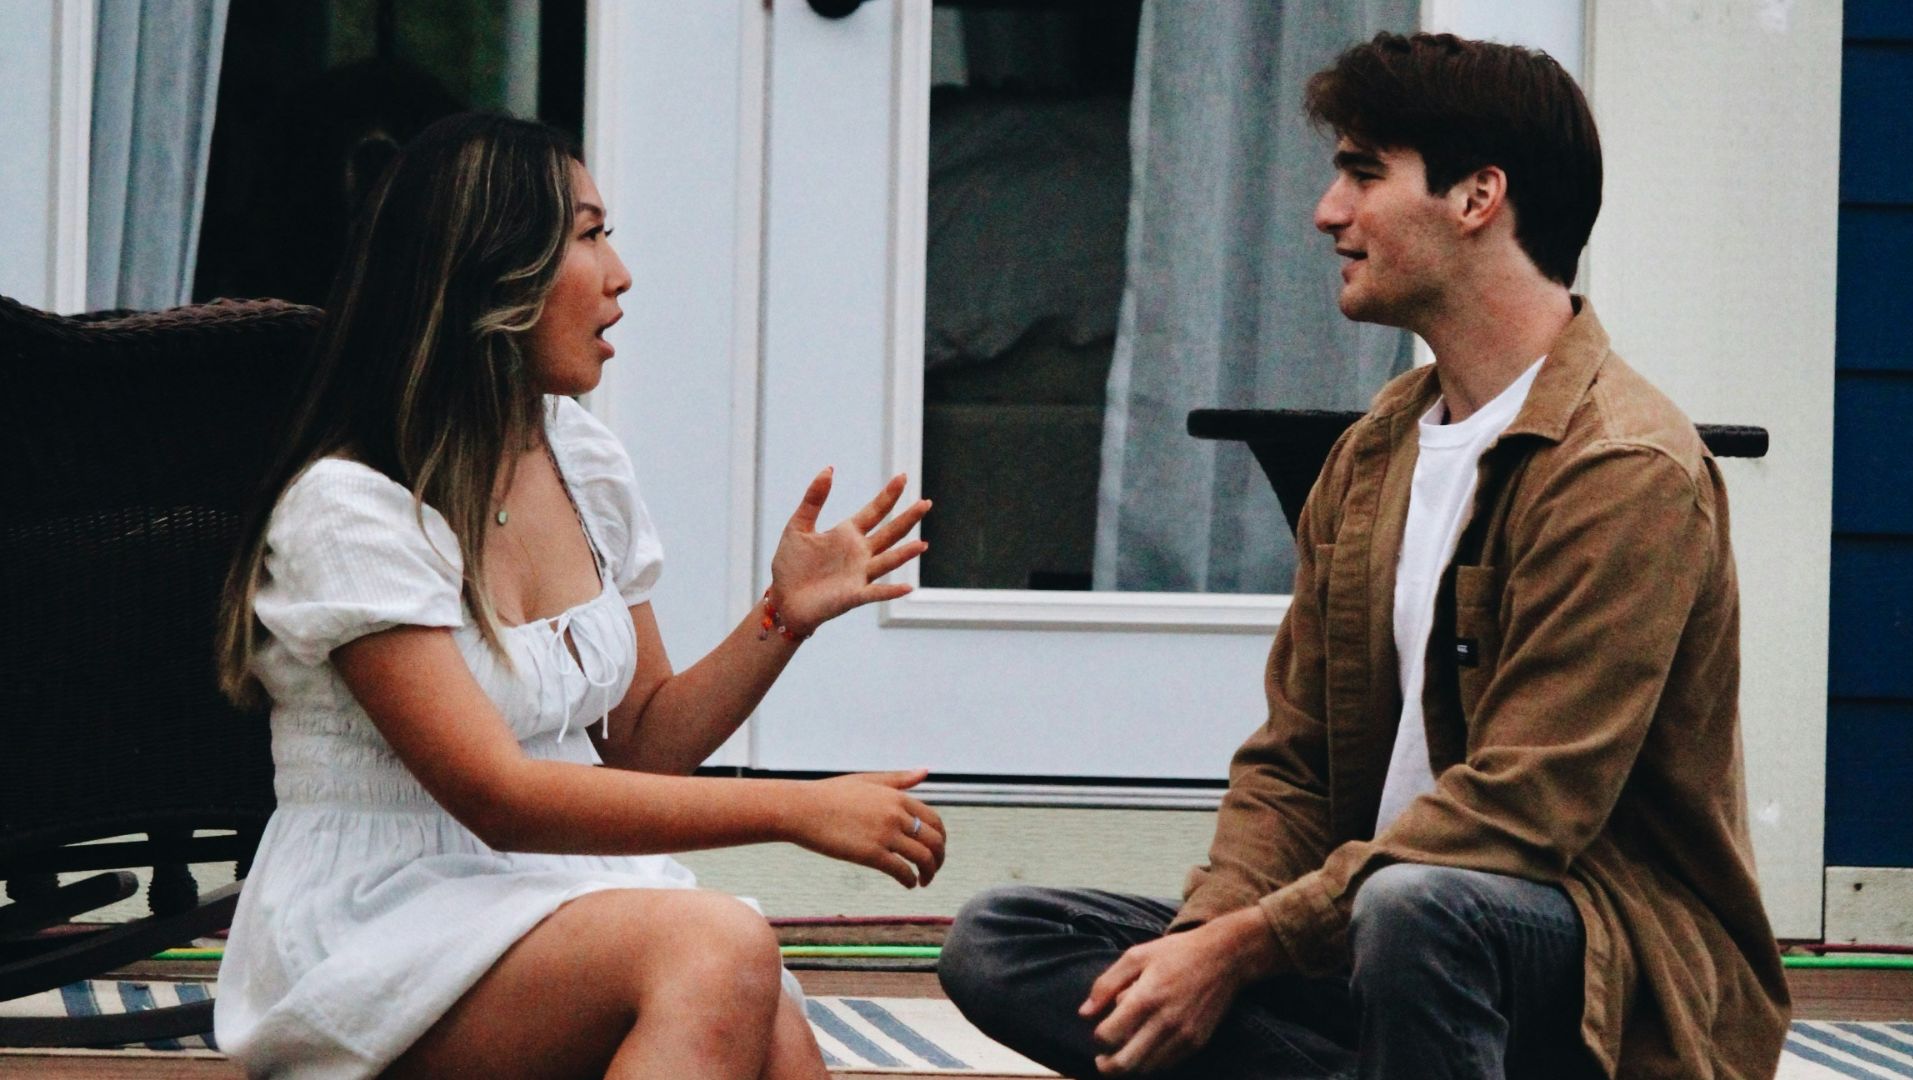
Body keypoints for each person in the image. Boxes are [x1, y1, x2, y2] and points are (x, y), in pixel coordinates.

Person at [939, 31, 1789, 1079]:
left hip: (1598, 976)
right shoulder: (1378, 450)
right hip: (1374, 937)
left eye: (1361, 173)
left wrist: (1246, 949)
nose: (1326, 211)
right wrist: (1199, 943)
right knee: (1003, 941)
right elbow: (1294, 767)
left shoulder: (1622, 469)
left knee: (1417, 906)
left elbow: (1520, 818)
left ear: (1478, 198)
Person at [211, 112, 945, 1080]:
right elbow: (500, 799)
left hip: (560, 894)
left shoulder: (580, 459)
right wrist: (793, 810)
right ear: (494, 273)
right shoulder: (350, 511)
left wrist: (780, 619)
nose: (621, 274)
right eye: (591, 236)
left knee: (763, 1013)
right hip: (385, 920)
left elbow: (641, 739)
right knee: (719, 947)